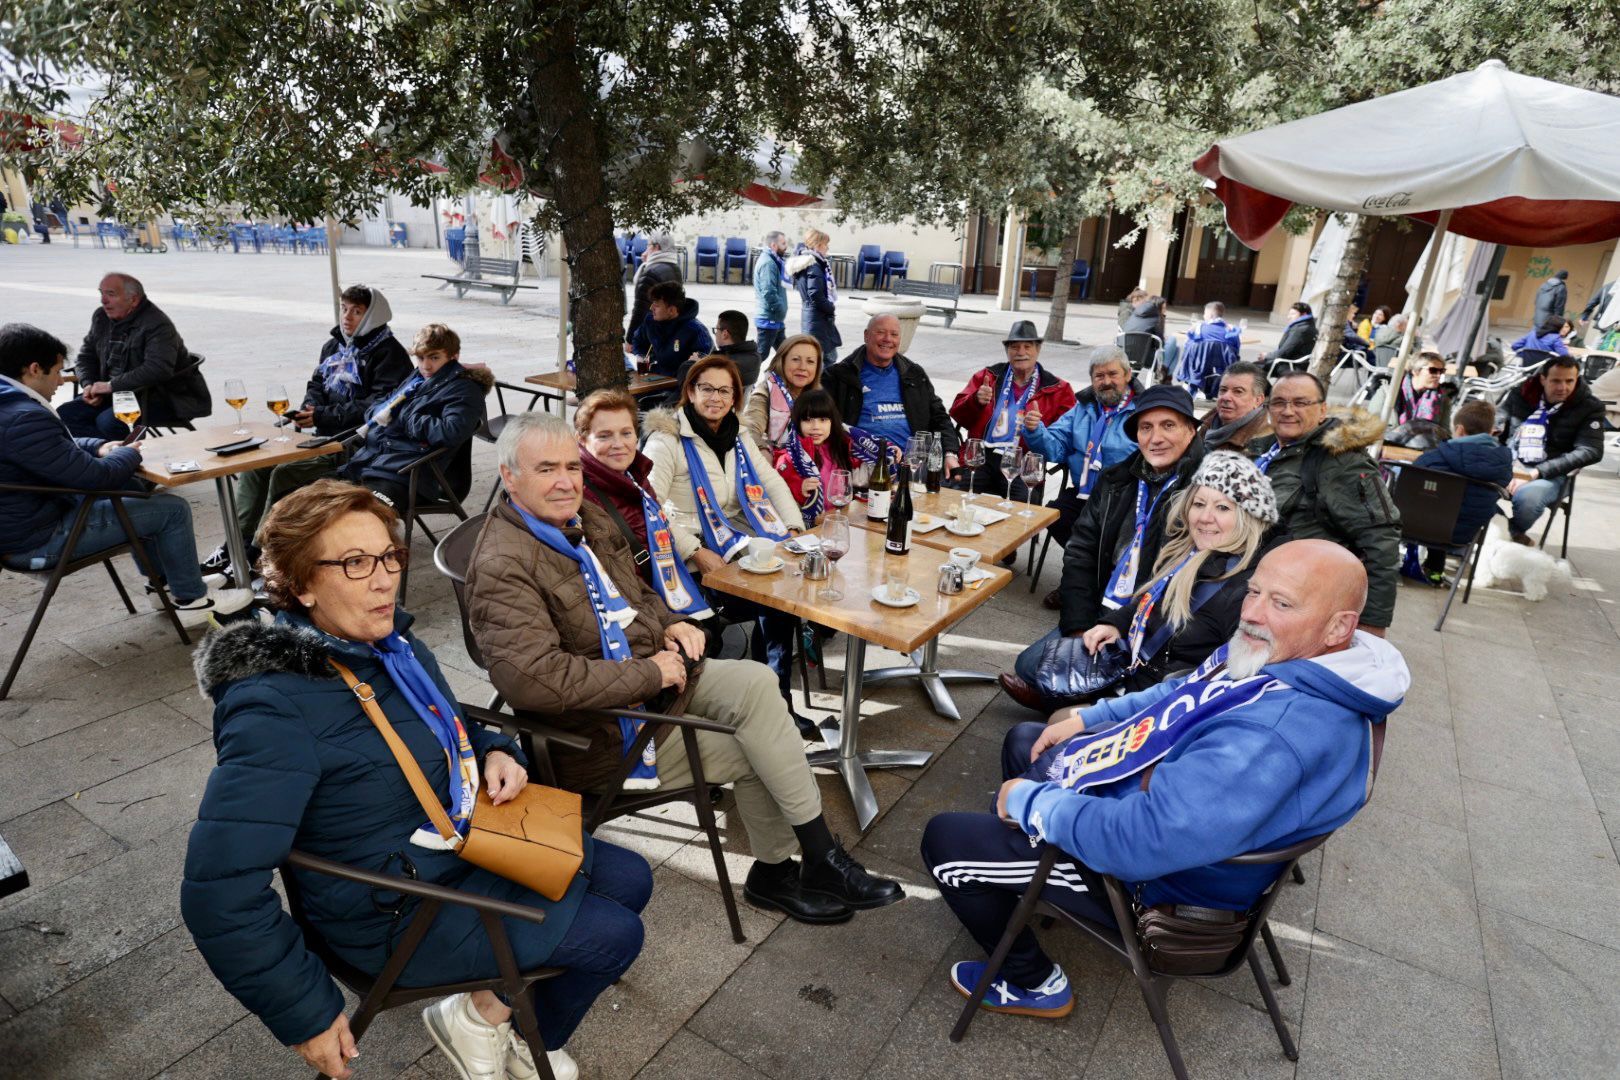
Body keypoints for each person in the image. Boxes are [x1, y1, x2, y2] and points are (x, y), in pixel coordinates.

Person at [181, 481, 639, 1080]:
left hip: (456, 847)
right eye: (353, 563)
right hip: (394, 910)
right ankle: (500, 1027)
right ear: (298, 585)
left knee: (631, 876)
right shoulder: (272, 707)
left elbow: (453, 727)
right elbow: (217, 890)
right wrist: (306, 1015)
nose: (383, 579)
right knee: (615, 935)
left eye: (388, 557)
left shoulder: (392, 646)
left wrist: (498, 751)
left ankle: (488, 1017)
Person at [922, 541, 1407, 1020]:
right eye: (1254, 592)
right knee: (1028, 738)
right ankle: (1026, 877)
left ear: (1339, 625)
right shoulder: (1296, 660)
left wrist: (1035, 806)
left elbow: (1144, 839)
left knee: (946, 840)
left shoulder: (1273, 735)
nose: (1253, 613)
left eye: (1281, 603)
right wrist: (1090, 718)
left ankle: (1033, 982)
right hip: (1176, 814)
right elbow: (1186, 690)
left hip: (1153, 889)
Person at [465, 412, 903, 924]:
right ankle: (786, 870)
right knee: (759, 740)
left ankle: (814, 860)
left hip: (650, 683)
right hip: (601, 734)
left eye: (570, 466)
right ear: (509, 475)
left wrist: (672, 622)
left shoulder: (579, 517)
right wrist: (652, 673)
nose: (565, 481)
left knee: (760, 686)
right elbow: (533, 681)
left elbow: (636, 589)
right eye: (545, 469)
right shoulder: (503, 563)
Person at [0, 323, 252, 627]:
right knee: (172, 509)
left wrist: (102, 446)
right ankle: (192, 601)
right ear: (33, 369)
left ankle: (165, 586)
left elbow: (56, 445)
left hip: (24, 521)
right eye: (57, 372)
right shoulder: (24, 417)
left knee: (131, 486)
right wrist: (129, 453)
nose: (62, 381)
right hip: (39, 539)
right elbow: (95, 478)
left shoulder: (10, 403)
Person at [1003, 385, 1203, 710]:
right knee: (1030, 664)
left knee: (1057, 675)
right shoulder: (1117, 479)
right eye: (1146, 427)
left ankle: (1095, 696)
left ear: (1191, 430)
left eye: (1169, 425)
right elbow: (1080, 552)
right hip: (1102, 607)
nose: (1156, 438)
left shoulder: (1204, 491)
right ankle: (1092, 691)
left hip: (1154, 619)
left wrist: (1125, 624)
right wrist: (1078, 626)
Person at [206, 284, 413, 575]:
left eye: (357, 311)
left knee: (283, 472)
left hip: (355, 444)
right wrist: (309, 410)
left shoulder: (389, 354)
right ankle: (235, 545)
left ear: (373, 315)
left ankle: (260, 549)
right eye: (344, 309)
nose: (347, 317)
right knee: (255, 467)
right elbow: (316, 384)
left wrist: (323, 416)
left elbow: (377, 409)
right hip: (320, 435)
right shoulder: (334, 345)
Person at [642, 356, 806, 710]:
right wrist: (693, 551)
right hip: (684, 552)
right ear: (690, 392)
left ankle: (777, 700)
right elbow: (650, 505)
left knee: (782, 596)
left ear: (736, 397)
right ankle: (728, 702)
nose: (715, 398)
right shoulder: (667, 439)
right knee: (763, 603)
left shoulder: (738, 434)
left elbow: (771, 480)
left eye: (724, 390)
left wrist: (792, 526)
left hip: (732, 538)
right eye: (707, 389)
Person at [1074, 451, 1282, 693]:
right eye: (1199, 504)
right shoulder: (1192, 554)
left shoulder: (1246, 589)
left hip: (1161, 701)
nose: (1204, 518)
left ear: (1249, 517)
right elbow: (1155, 604)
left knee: (1036, 725)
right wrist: (1115, 624)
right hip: (1135, 675)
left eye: (1223, 507)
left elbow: (1227, 685)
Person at [1245, 372, 1400, 633]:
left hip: (1300, 601)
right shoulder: (1264, 448)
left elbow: (1380, 541)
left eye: (1301, 403)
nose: (1288, 410)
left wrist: (1372, 623)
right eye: (1279, 402)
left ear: (1322, 410)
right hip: (1256, 587)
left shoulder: (1341, 461)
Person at [576, 389, 717, 629]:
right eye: (605, 436)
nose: (618, 444)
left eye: (626, 433)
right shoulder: (580, 494)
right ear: (582, 440)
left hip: (662, 586)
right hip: (634, 614)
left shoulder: (634, 474)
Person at [337, 323, 492, 509]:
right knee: (310, 498)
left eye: (434, 357)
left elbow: (452, 431)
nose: (426, 365)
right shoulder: (417, 377)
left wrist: (403, 417)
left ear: (453, 356)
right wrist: (382, 412)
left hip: (407, 476)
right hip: (372, 462)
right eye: (420, 358)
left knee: (352, 513)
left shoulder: (465, 389)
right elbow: (379, 405)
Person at [60, 273, 210, 439]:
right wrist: (88, 384)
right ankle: (101, 458)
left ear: (134, 299)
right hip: (115, 393)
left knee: (108, 421)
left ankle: (123, 460)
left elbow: (158, 369)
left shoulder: (157, 324)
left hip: (158, 396)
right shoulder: (101, 317)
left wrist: (110, 386)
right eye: (101, 293)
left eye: (111, 294)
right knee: (64, 415)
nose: (103, 300)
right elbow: (85, 357)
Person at [949, 320, 1077, 498]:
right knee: (951, 491)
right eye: (1015, 347)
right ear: (1007, 351)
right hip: (982, 456)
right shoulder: (987, 376)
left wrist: (1039, 429)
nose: (1021, 352)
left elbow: (1068, 435)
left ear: (1037, 350)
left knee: (1024, 503)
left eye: (1027, 346)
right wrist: (975, 401)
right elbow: (957, 415)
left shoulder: (1058, 389)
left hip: (1023, 460)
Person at [822, 313, 961, 474]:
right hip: (863, 466)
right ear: (866, 336)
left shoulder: (914, 374)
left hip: (913, 467)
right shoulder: (839, 376)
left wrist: (951, 453)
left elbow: (939, 417)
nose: (888, 339)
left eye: (894, 334)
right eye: (880, 332)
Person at [1498, 354, 1606, 544]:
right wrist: (1507, 463)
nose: (1562, 387)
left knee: (1528, 498)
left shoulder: (1589, 407)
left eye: (1569, 381)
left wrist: (1537, 472)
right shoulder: (1520, 395)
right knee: (1468, 484)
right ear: (1543, 379)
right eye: (1556, 380)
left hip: (1552, 473)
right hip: (1510, 463)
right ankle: (1492, 529)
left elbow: (1591, 450)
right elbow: (1497, 430)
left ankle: (1508, 534)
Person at [1410, 400, 1513, 584]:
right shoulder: (1502, 465)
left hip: (1415, 526)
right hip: (1462, 535)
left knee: (1432, 501)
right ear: (1491, 432)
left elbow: (1414, 476)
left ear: (1459, 430)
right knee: (1454, 507)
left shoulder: (1434, 458)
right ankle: (1434, 570)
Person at [772, 388, 858, 526]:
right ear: (797, 422)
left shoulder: (842, 446)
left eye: (823, 420)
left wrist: (888, 452)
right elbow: (778, 485)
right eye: (807, 420)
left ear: (832, 421)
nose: (816, 427)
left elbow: (865, 464)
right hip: (809, 525)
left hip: (841, 518)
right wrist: (800, 487)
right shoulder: (790, 455)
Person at [743, 333, 823, 450]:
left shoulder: (819, 395)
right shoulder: (765, 392)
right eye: (796, 359)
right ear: (782, 361)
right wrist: (763, 450)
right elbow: (750, 430)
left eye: (810, 362)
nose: (803, 367)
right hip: (776, 463)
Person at [630, 281, 714, 379]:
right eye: (652, 303)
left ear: (671, 310)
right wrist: (643, 356)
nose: (651, 308)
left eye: (656, 305)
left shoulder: (695, 330)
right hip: (652, 378)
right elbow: (637, 340)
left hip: (679, 384)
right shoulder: (650, 321)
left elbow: (704, 364)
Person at [786, 228, 841, 363]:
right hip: (817, 318)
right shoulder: (813, 265)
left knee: (827, 357)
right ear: (817, 245)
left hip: (814, 317)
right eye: (825, 244)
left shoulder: (809, 262)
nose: (827, 248)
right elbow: (815, 293)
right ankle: (819, 384)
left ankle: (822, 383)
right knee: (822, 360)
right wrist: (830, 307)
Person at [675, 309, 760, 391]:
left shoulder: (723, 365)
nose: (715, 334)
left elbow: (687, 387)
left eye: (716, 330)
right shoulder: (754, 357)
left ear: (725, 334)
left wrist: (694, 364)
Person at [1198, 362, 1272, 452]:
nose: (1226, 397)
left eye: (1238, 391)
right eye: (1223, 390)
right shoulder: (1207, 422)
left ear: (1258, 400)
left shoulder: (1261, 443)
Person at [624, 231, 682, 347]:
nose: (645, 252)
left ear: (656, 247)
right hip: (671, 330)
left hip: (651, 335)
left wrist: (631, 339)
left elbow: (641, 310)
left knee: (646, 364)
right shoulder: (675, 268)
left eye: (648, 246)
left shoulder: (650, 273)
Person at [1173, 300, 1242, 398]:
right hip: (1224, 367)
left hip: (1198, 367)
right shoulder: (1231, 329)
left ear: (1210, 314)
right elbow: (1236, 348)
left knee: (1190, 354)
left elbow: (1188, 345)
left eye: (1205, 313)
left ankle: (1192, 388)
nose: (1204, 316)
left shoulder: (1198, 328)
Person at [1391, 349, 1456, 430]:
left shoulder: (1442, 398)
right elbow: (1374, 426)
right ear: (1415, 371)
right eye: (1433, 370)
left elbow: (1444, 431)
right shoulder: (1390, 392)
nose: (1439, 375)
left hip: (1426, 441)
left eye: (1441, 371)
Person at [754, 230, 791, 358]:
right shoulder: (768, 263)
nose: (786, 247)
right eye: (783, 243)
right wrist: (780, 308)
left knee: (786, 354)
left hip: (775, 319)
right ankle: (740, 376)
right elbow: (768, 291)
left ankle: (777, 377)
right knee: (760, 355)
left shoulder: (774, 260)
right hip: (769, 319)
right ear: (774, 245)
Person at [1120, 294, 1172, 376]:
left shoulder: (1135, 313)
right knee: (1172, 345)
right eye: (1164, 308)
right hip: (1142, 356)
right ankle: (1163, 374)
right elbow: (1159, 344)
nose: (1165, 311)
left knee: (1140, 351)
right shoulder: (1157, 318)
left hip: (1124, 352)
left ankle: (1131, 383)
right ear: (1158, 307)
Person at [1261, 302, 1317, 370]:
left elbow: (1284, 353)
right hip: (1295, 363)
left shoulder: (1300, 330)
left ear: (1304, 314)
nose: (1289, 317)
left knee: (1253, 368)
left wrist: (1266, 355)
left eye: (1293, 314)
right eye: (1289, 314)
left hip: (1291, 366)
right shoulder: (1309, 326)